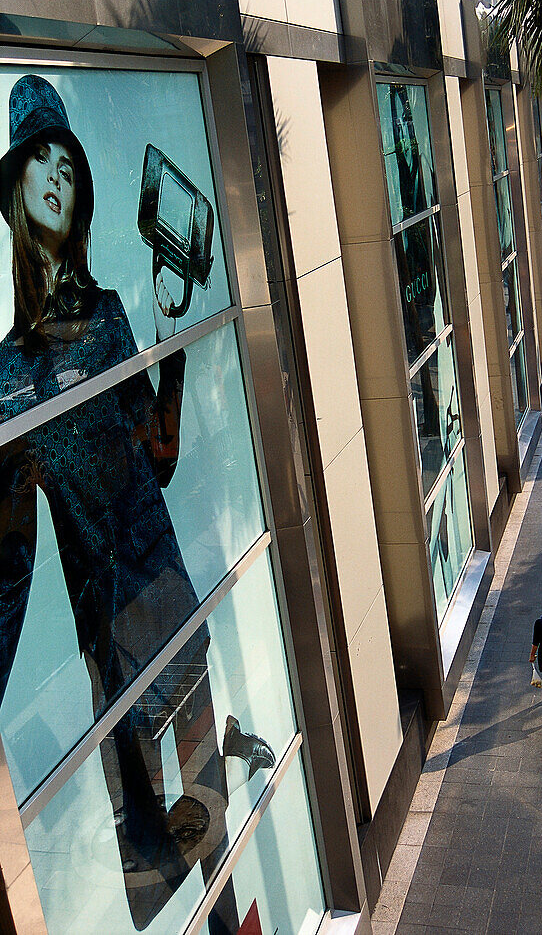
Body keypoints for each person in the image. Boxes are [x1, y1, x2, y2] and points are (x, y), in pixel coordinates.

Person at [0, 74, 273, 932]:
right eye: (37, 160)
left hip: (164, 601)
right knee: (151, 866)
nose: (54, 174)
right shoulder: (8, 377)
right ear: (16, 194)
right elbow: (11, 564)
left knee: (211, 835)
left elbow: (158, 461)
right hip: (105, 647)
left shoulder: (113, 316)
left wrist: (174, 342)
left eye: (67, 163)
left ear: (80, 192)